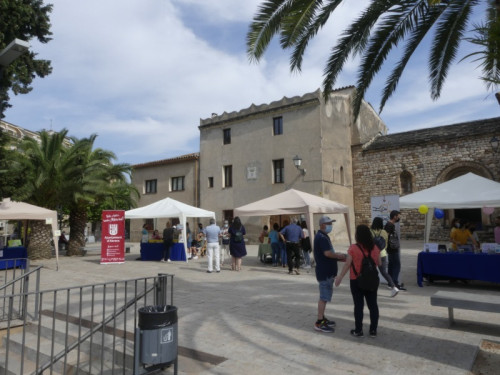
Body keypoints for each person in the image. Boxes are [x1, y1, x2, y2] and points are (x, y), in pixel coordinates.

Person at [335, 224, 381, 338]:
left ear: (358, 235)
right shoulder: (375, 248)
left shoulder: (353, 248)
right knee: (373, 305)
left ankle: (358, 330)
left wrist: (340, 276)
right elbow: (379, 263)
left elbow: (347, 264)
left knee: (358, 306)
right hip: (371, 280)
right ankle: (373, 330)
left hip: (356, 280)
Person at [313, 216, 347, 333]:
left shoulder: (323, 236)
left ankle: (322, 318)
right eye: (328, 223)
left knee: (325, 297)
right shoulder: (321, 237)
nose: (330, 226)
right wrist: (338, 255)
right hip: (325, 272)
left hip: (327, 271)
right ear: (322, 225)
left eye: (331, 224)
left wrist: (337, 255)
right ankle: (319, 322)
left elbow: (328, 253)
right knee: (323, 298)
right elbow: (327, 253)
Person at [371, 217, 398, 297]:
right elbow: (385, 244)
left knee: (371, 271)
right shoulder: (384, 232)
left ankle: (372, 287)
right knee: (383, 272)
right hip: (382, 254)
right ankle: (393, 287)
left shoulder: (370, 231)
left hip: (372, 254)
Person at [384, 210, 405, 291]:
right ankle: (395, 283)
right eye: (398, 216)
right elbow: (386, 236)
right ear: (394, 216)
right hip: (392, 248)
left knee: (391, 265)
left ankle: (390, 283)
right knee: (396, 265)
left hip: (391, 248)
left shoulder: (391, 224)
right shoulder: (389, 225)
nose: (399, 217)